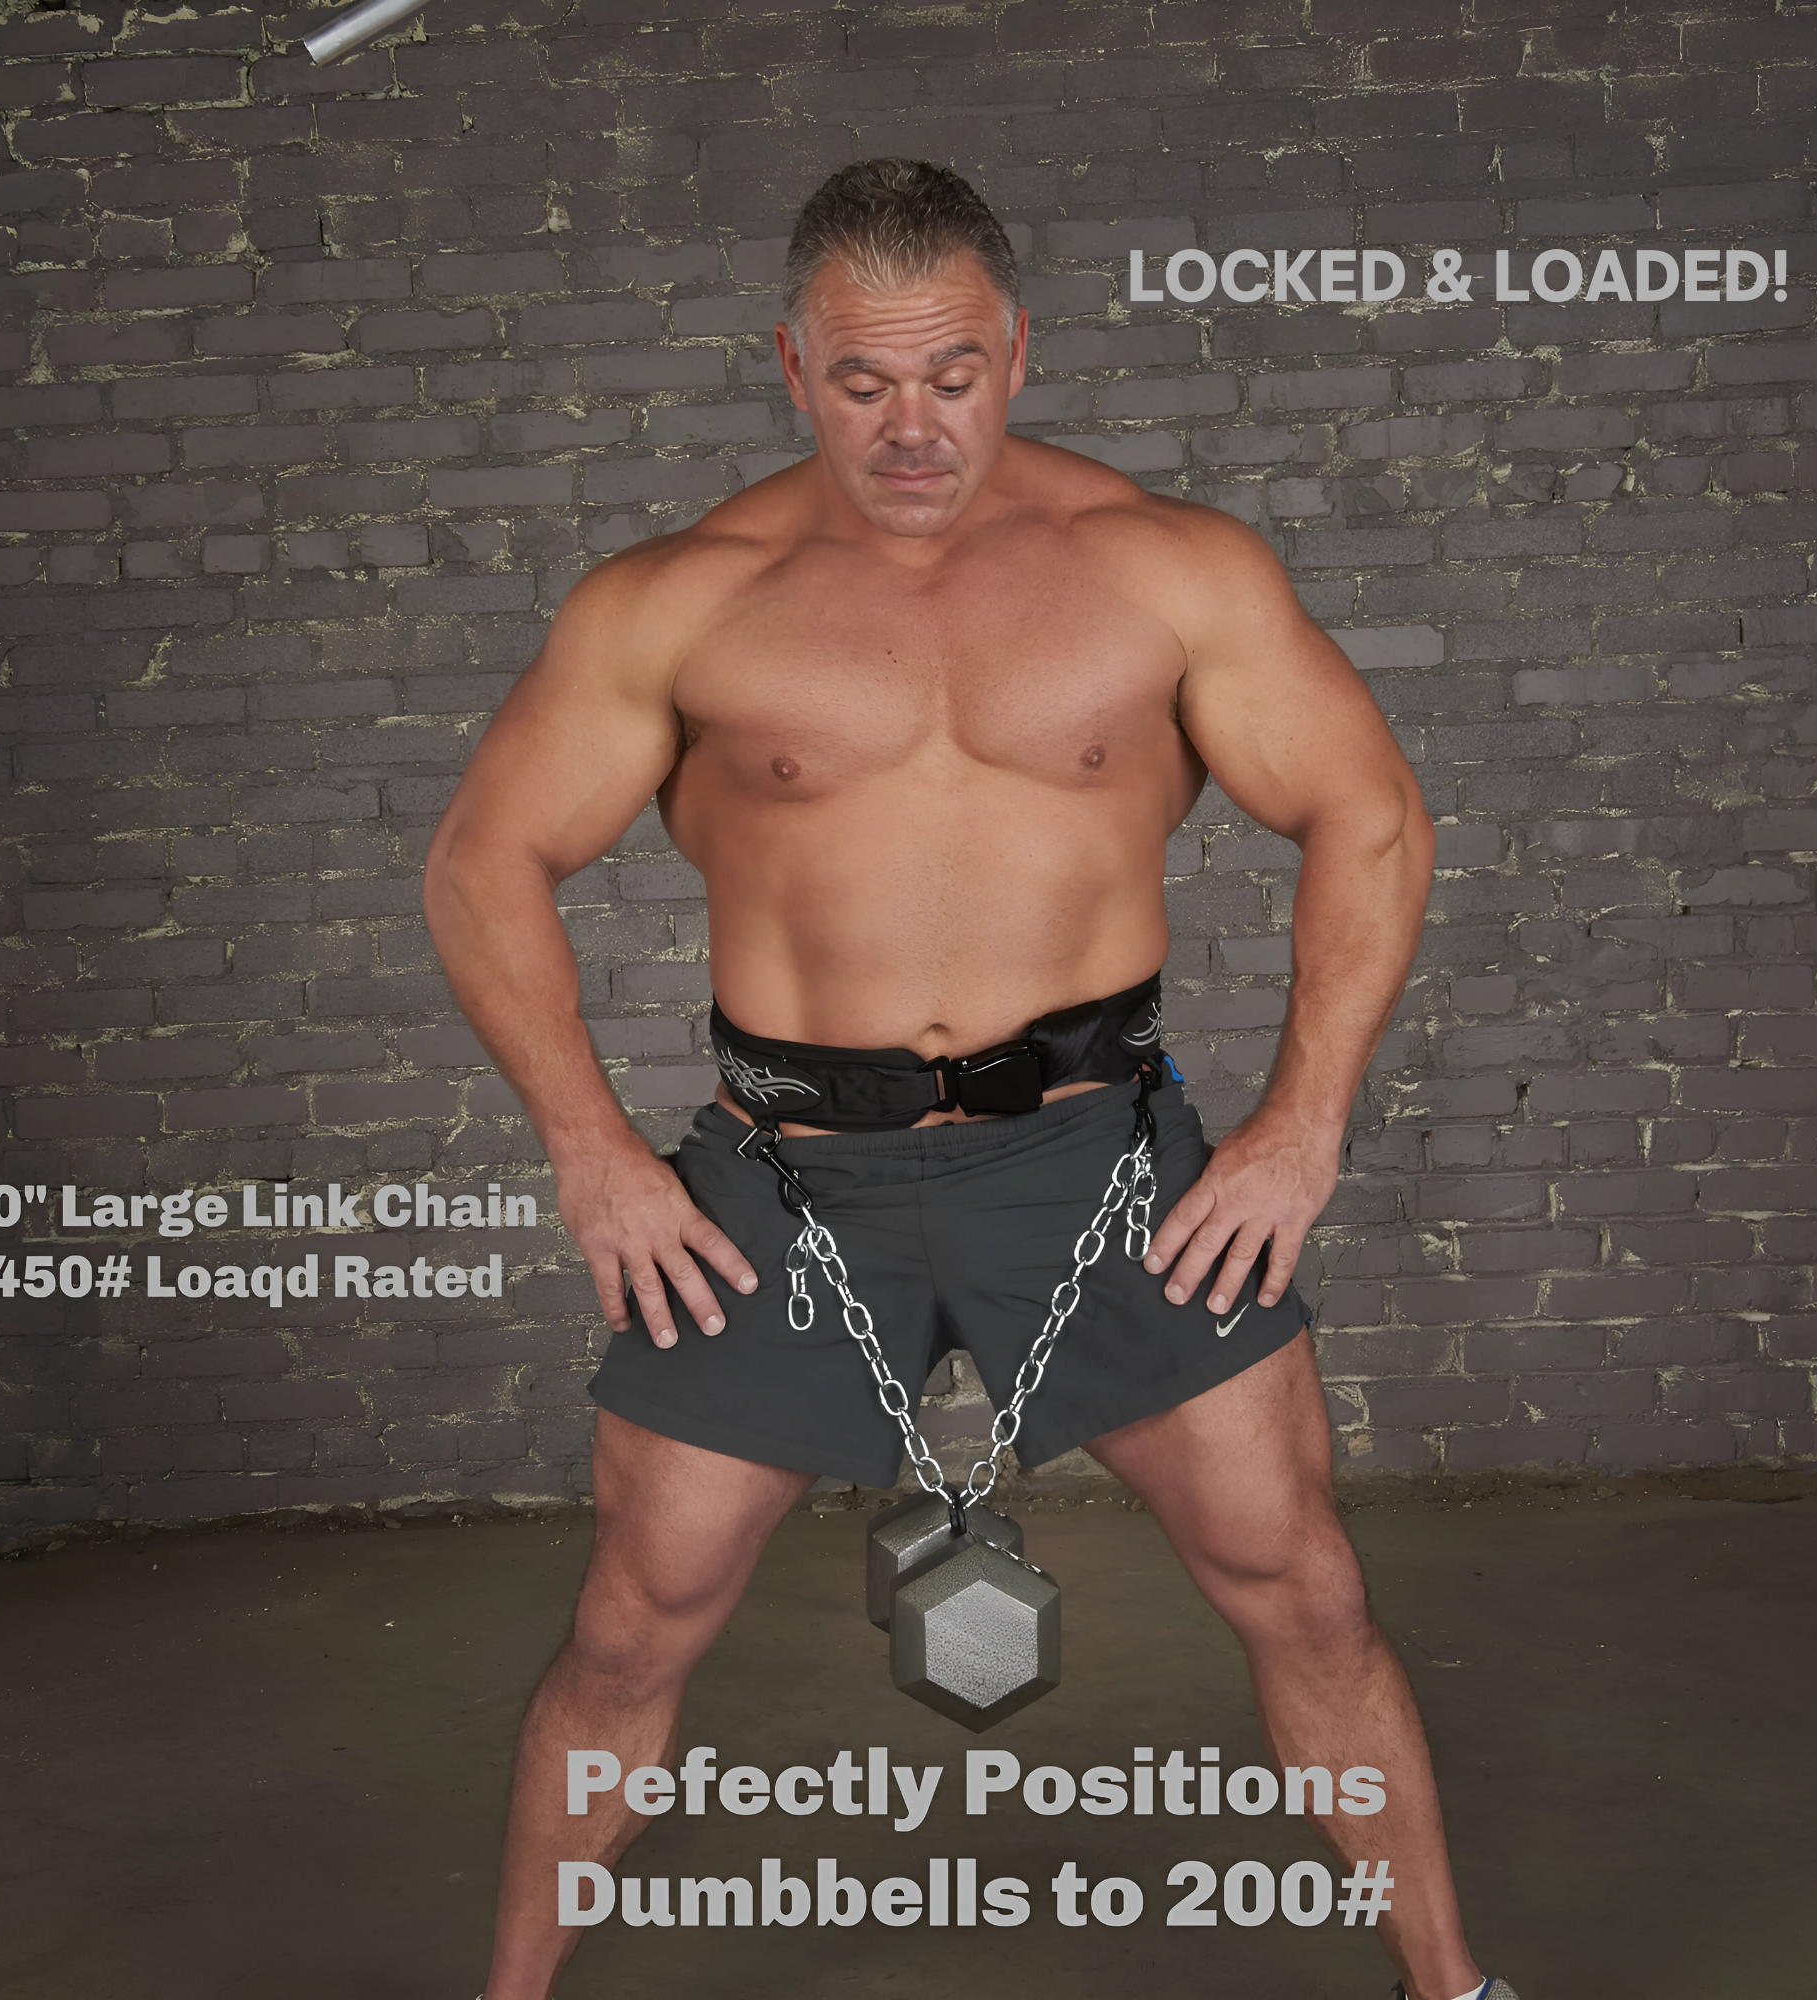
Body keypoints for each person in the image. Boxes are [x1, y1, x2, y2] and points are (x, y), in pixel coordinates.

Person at [425, 159, 1515, 2000]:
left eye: (949, 373)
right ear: (790, 366)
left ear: (1018, 350)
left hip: (1093, 1160)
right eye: (861, 381)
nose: (910, 425)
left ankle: (1452, 1987)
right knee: (630, 1625)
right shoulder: (682, 602)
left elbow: (1372, 815)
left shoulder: (1167, 571)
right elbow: (480, 863)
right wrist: (596, 1159)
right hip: (784, 1178)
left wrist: (1302, 1124)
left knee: (1306, 1585)